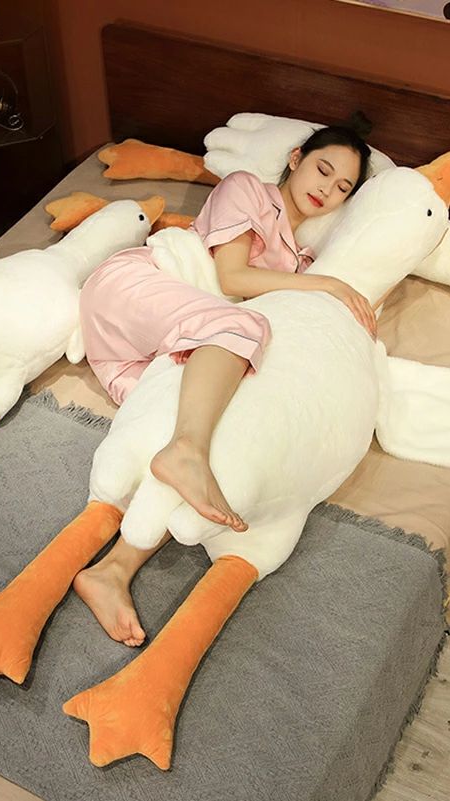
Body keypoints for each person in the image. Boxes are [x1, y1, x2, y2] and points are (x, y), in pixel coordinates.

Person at [74, 121, 376, 646]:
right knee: (242, 326)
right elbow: (232, 279)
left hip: (144, 356)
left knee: (207, 429)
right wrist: (326, 284)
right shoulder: (247, 190)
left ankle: (112, 571)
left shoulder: (299, 260)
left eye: (342, 187)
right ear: (296, 158)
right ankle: (185, 451)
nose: (326, 189)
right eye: (322, 169)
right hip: (134, 290)